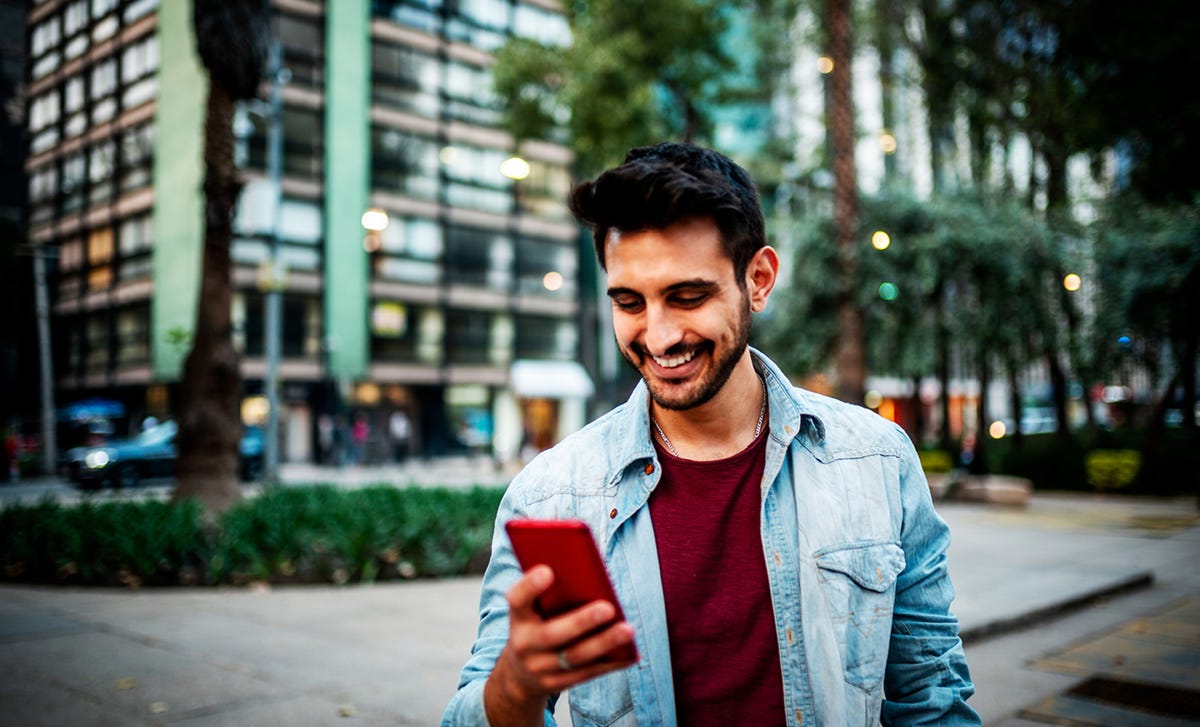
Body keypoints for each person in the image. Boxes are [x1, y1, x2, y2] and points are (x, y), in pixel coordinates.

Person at [442, 142, 979, 726]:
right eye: (629, 302)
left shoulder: (875, 459)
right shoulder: (550, 496)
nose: (659, 335)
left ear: (758, 280)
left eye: (688, 296)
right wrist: (516, 687)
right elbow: (469, 711)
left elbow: (932, 699)